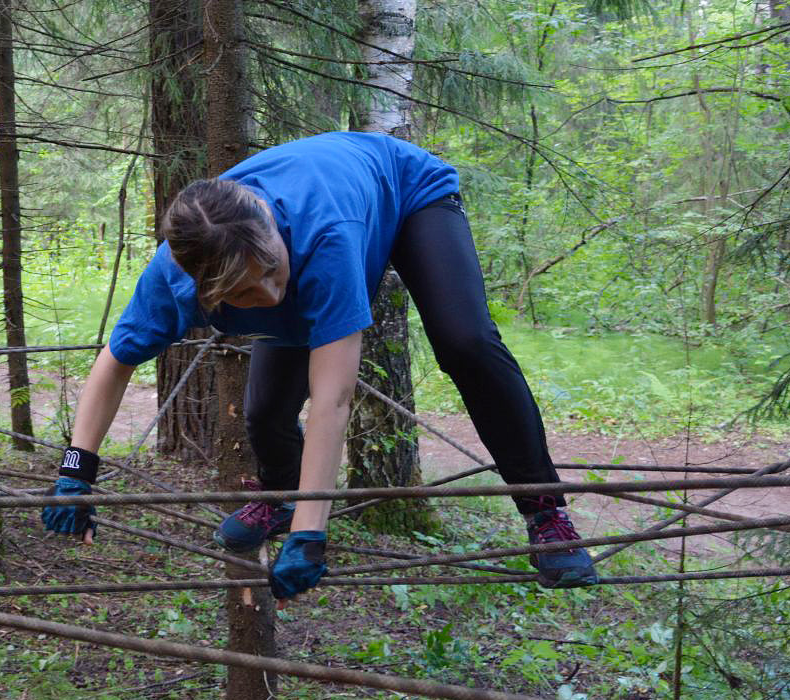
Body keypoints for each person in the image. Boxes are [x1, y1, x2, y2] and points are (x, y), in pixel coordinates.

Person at [41, 132, 599, 599]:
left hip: (405, 191)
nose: (267, 290)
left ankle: (545, 511)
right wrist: (74, 471)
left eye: (268, 268)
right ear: (205, 289)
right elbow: (114, 362)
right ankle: (281, 496)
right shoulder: (172, 280)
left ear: (271, 227)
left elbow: (333, 399)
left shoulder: (325, 239)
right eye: (244, 289)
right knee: (264, 413)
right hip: (315, 225)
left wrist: (311, 535)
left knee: (465, 341)